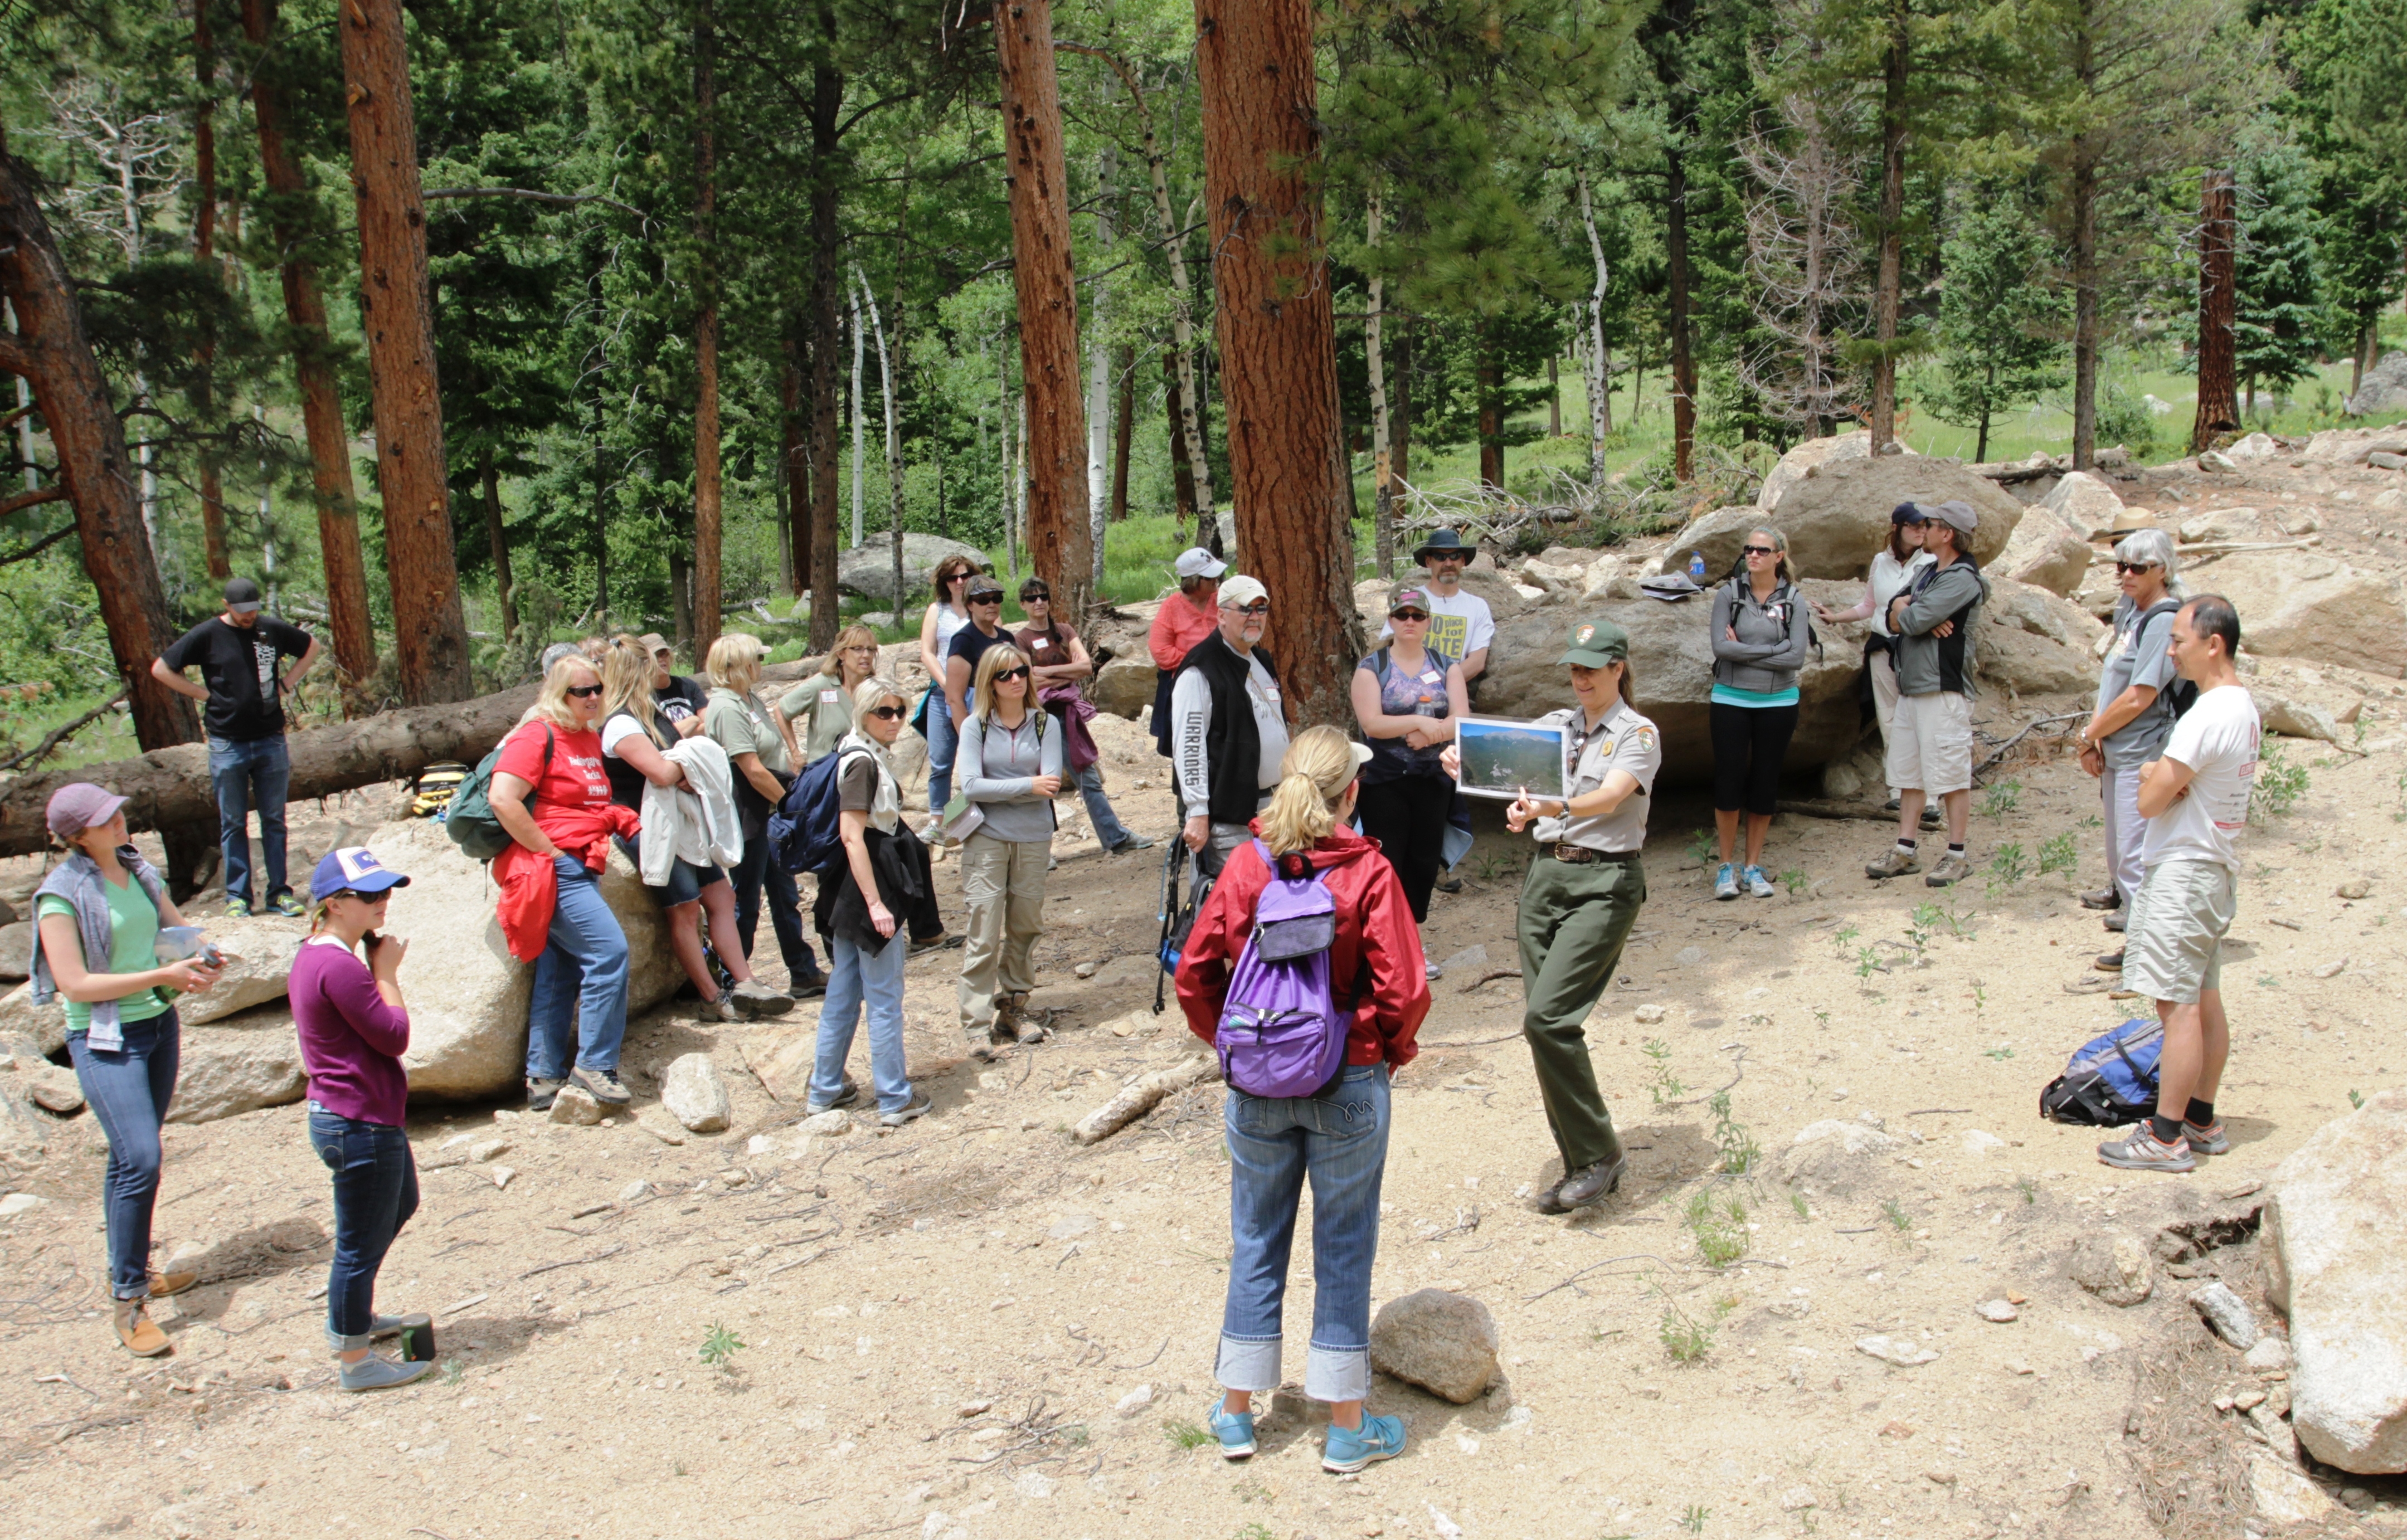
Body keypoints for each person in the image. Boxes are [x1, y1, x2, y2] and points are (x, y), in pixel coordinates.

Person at [1173, 726, 1428, 1474]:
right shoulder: (1366, 872)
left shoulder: (1247, 866)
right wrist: (1384, 1051)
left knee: (1255, 1239)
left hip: (1254, 1080)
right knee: (1343, 1247)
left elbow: (1194, 973)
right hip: (1346, 1074)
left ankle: (1234, 1415)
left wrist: (1231, 1043)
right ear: (1350, 792)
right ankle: (1345, 1430)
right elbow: (1404, 990)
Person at [1446, 617, 1660, 1215]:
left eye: (1591, 667)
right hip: (1546, 878)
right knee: (1543, 1030)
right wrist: (1463, 761)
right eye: (1573, 667)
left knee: (1548, 1019)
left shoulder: (1637, 733)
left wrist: (1552, 802)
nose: (1580, 677)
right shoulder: (1555, 727)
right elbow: (1503, 763)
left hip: (1604, 882)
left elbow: (1610, 796)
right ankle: (1580, 1162)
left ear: (1618, 668)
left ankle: (1599, 1153)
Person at [31, 784, 223, 1356]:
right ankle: (128, 1299)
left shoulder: (138, 870)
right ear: (77, 835)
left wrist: (202, 955)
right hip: (104, 1038)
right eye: (104, 817)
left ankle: (135, 1264)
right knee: (140, 1157)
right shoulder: (58, 897)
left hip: (159, 1027)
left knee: (132, 1157)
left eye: (116, 811)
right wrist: (162, 977)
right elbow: (75, 985)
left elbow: (171, 930)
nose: (120, 820)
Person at [2097, 594, 2258, 1174]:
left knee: (2176, 1006)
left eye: (2178, 641)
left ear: (2212, 643)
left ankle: (2164, 1136)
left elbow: (2147, 800)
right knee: (2204, 998)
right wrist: (2161, 776)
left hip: (2183, 873)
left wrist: (2150, 774)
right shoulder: (2241, 708)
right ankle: (2199, 1117)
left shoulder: (2206, 713)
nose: (2170, 652)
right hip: (2212, 869)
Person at [291, 846, 434, 1391]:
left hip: (355, 1114)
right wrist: (387, 972)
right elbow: (395, 1035)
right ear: (333, 903)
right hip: (358, 1121)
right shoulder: (337, 965)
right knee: (356, 1244)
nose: (384, 902)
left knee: (400, 1204)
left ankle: (352, 1317)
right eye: (370, 895)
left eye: (387, 890)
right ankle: (355, 1358)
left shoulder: (321, 955)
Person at [598, 639, 789, 1021]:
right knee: (685, 909)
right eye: (653, 665)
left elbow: (679, 757)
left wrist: (685, 765)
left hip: (682, 821)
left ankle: (745, 980)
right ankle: (711, 997)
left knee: (721, 897)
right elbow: (664, 771)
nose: (662, 670)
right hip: (647, 826)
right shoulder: (620, 722)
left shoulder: (652, 713)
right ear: (636, 670)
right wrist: (688, 765)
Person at [488, 655, 639, 1111]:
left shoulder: (588, 737)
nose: (592, 697)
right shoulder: (539, 734)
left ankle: (543, 1076)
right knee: (609, 954)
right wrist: (549, 853)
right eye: (581, 691)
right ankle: (595, 1065)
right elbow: (503, 798)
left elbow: (586, 804)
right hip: (551, 870)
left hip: (581, 864)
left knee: (560, 971)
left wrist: (618, 818)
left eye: (596, 688)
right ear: (559, 693)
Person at [151, 576, 323, 917]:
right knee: (233, 822)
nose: (249, 617)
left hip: (270, 739)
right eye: (242, 611)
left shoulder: (269, 630)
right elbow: (161, 669)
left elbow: (311, 647)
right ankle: (238, 898)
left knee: (274, 819)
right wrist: (203, 695)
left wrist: (288, 682)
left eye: (254, 610)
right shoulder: (207, 635)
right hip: (227, 743)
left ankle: (279, 894)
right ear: (227, 607)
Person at [808, 676, 937, 1127]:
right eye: (884, 712)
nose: (895, 720)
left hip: (847, 890)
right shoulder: (862, 763)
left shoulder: (853, 752)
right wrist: (877, 905)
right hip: (866, 887)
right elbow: (851, 835)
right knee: (883, 995)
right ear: (862, 714)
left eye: (899, 710)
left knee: (844, 989)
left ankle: (824, 1088)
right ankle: (893, 1096)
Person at [1864, 499, 1987, 889]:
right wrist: (1910, 612)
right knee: (1908, 772)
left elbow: (1910, 619)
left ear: (1947, 533)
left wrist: (1911, 614)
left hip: (1942, 688)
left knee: (1950, 775)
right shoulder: (1929, 572)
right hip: (1912, 687)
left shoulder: (1962, 578)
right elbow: (1889, 614)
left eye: (1931, 524)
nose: (1924, 529)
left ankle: (1957, 855)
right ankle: (1905, 849)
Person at [704, 632, 827, 996]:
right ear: (735, 665)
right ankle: (733, 980)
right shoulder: (727, 707)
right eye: (756, 658)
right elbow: (752, 769)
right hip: (750, 814)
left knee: (783, 893)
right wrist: (794, 806)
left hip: (769, 812)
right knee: (745, 899)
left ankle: (803, 971)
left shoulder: (750, 700)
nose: (761, 664)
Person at [954, 644, 1063, 1053]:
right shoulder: (975, 727)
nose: (1015, 680)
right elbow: (969, 786)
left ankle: (1014, 1008)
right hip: (986, 836)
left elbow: (1050, 783)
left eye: (1021, 671)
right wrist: (1025, 786)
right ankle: (975, 1025)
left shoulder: (1044, 724)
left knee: (1025, 924)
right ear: (989, 682)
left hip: (1034, 837)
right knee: (983, 928)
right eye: (1004, 675)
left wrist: (1001, 789)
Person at [2078, 529, 2185, 944]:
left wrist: (2088, 735)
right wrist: (2095, 739)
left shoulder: (2161, 621)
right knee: (2119, 853)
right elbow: (2112, 682)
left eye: (2137, 567)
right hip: (2117, 745)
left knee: (2136, 856)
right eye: (2120, 566)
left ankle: (2147, 949)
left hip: (2141, 749)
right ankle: (2140, 939)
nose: (2125, 575)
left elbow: (2140, 696)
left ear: (2162, 570)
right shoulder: (2133, 612)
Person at [1349, 583, 1467, 951]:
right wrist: (1417, 723)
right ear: (1391, 620)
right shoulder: (1373, 668)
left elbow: (1462, 718)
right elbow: (1372, 723)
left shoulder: (1446, 665)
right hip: (1385, 782)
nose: (1410, 621)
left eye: (1417, 615)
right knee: (1388, 861)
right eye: (1402, 615)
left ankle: (1410, 941)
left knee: (1423, 862)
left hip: (1433, 780)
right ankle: (1383, 945)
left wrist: (1431, 736)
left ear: (1428, 621)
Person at [1708, 527, 1811, 900]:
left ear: (1778, 556)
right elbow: (1721, 648)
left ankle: (1751, 866)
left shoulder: (1794, 599)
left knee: (1765, 781)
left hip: (1778, 701)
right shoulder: (1728, 594)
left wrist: (1746, 648)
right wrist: (1773, 649)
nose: (1753, 556)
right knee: (1729, 780)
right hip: (1730, 698)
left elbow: (1797, 657)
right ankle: (1725, 866)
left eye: (1762, 551)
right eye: (1749, 550)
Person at [1810, 504, 1933, 815]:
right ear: (1897, 527)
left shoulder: (1933, 561)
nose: (1921, 530)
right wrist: (1836, 617)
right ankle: (1899, 790)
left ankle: (1929, 798)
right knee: (1890, 720)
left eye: (1925, 525)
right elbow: (1870, 605)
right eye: (1914, 525)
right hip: (1882, 648)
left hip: (1918, 648)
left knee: (1922, 718)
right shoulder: (1881, 561)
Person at [1015, 577, 1152, 855]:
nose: (1039, 601)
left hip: (1067, 715)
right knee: (1039, 781)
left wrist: (1048, 674)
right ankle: (1038, 851)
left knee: (1087, 777)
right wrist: (1066, 674)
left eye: (1043, 596)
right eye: (1032, 598)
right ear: (1022, 605)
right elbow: (1028, 680)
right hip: (1037, 717)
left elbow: (1087, 667)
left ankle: (1115, 837)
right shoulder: (1020, 639)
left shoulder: (1063, 630)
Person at [1171, 576, 1291, 877]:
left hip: (1274, 807)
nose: (1255, 617)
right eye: (1245, 609)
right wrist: (1198, 811)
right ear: (1221, 615)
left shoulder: (1261, 659)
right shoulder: (1202, 668)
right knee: (1236, 906)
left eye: (1261, 609)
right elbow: (1189, 744)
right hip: (1230, 817)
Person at [938, 574, 1013, 831]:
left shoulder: (1006, 637)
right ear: (970, 605)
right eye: (983, 600)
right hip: (980, 721)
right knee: (981, 783)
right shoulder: (964, 640)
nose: (991, 604)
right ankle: (955, 828)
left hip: (1009, 721)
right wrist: (969, 740)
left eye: (996, 599)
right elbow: (954, 697)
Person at [1148, 547, 1229, 779]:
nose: (1216, 581)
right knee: (1188, 747)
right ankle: (1188, 804)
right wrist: (1199, 663)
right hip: (1186, 686)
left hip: (1223, 684)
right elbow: (1161, 651)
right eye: (1210, 577)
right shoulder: (1171, 607)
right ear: (1195, 581)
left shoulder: (1221, 601)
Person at [1385, 529, 1496, 690]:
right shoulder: (1409, 599)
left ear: (1463, 560)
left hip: (1452, 691)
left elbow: (1477, 662)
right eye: (1440, 557)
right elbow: (1389, 650)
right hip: (1404, 689)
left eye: (1455, 556)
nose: (1449, 563)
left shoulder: (1478, 606)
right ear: (1429, 561)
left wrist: (1435, 683)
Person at [917, 555, 984, 820]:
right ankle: (939, 820)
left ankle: (971, 816)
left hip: (976, 691)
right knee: (941, 762)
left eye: (965, 576)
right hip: (940, 693)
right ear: (943, 582)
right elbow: (927, 652)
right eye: (953, 577)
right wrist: (947, 685)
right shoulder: (937, 610)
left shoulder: (981, 606)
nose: (959, 582)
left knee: (979, 757)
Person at [777, 623, 882, 766]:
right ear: (841, 654)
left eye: (871, 650)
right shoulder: (821, 685)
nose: (866, 655)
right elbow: (781, 711)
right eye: (858, 649)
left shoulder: (875, 691)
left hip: (864, 773)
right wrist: (796, 756)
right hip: (826, 775)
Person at [641, 633, 710, 740]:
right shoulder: (643, 695)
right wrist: (694, 720)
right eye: (655, 656)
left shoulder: (688, 685)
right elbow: (660, 737)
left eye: (664, 654)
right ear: (644, 662)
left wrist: (677, 734)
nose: (661, 659)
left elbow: (709, 725)